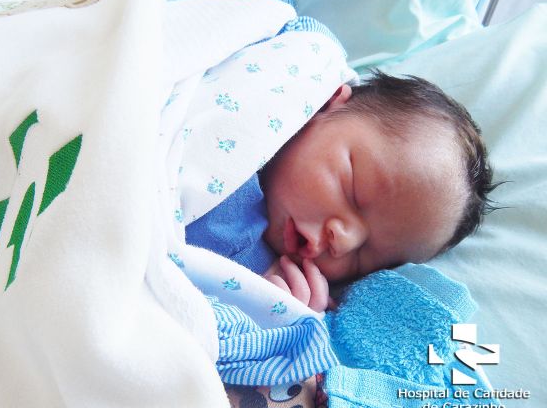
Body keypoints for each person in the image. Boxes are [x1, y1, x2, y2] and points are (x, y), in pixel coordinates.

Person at [186, 71, 496, 312]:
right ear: (328, 103)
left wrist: (272, 309)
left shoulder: (265, 277)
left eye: (364, 258)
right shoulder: (276, 71)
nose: (344, 240)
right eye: (354, 194)